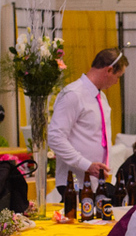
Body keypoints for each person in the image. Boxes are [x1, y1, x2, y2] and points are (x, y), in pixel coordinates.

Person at [48, 47, 128, 196]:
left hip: (96, 182)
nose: (117, 82)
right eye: (118, 76)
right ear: (109, 70)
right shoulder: (73, 94)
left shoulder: (101, 97)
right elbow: (55, 138)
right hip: (75, 182)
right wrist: (86, 165)